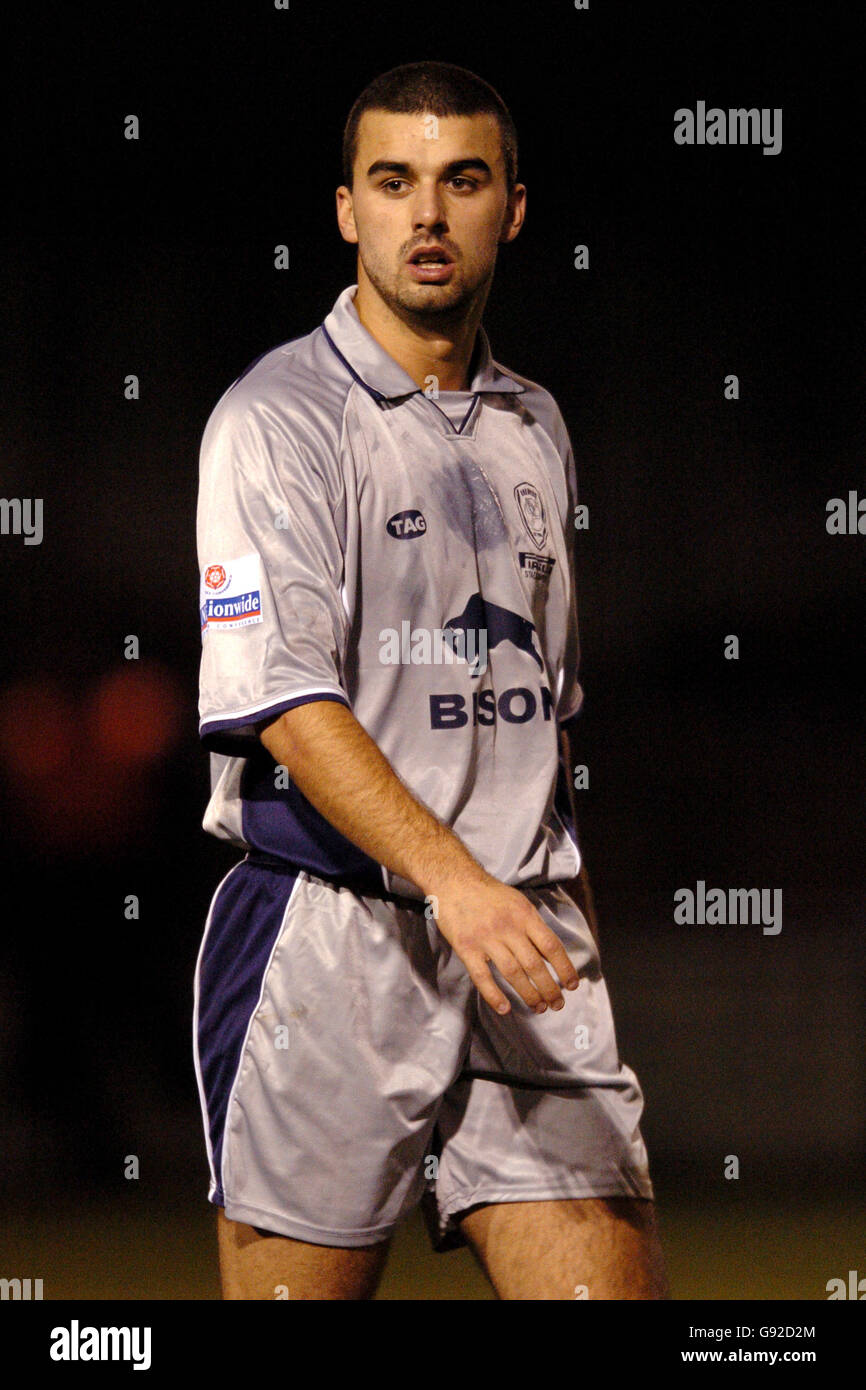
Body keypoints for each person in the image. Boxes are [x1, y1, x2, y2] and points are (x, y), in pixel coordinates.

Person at [193, 60, 668, 1300]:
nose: (426, 216)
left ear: (512, 207)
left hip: (524, 939)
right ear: (345, 209)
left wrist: (543, 894)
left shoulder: (533, 422)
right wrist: (451, 881)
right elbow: (290, 706)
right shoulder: (275, 419)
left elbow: (538, 714)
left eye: (462, 180)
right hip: (331, 941)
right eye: (391, 182)